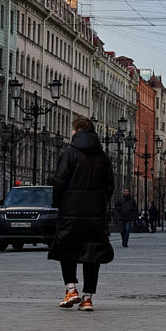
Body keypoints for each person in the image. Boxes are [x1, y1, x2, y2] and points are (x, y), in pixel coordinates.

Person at [50, 115, 115, 312]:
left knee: (66, 249)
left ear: (76, 131)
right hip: (95, 213)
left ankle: (71, 289)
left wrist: (58, 201)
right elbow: (109, 185)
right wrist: (101, 202)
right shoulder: (103, 157)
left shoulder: (69, 153)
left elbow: (60, 180)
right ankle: (88, 298)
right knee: (92, 253)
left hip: (71, 211)